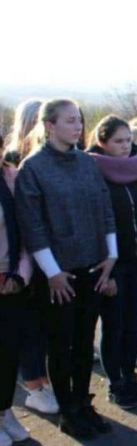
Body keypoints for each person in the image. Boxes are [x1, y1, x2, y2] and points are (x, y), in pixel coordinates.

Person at [16, 99, 118, 439]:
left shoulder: (87, 163)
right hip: (60, 276)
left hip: (93, 267)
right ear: (49, 126)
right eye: (70, 121)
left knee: (84, 340)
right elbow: (33, 228)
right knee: (61, 344)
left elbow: (105, 208)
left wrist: (111, 256)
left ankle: (82, 403)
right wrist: (53, 273)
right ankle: (69, 412)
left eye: (79, 121)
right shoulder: (34, 168)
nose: (78, 127)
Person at [87, 116, 137, 408]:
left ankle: (130, 377)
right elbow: (95, 223)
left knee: (134, 324)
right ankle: (116, 382)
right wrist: (104, 273)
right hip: (112, 265)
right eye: (118, 141)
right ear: (102, 143)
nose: (124, 147)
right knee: (114, 325)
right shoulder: (94, 171)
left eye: (127, 141)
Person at [3, 99, 59, 415]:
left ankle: (42, 381)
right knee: (27, 329)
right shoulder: (14, 163)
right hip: (24, 261)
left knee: (41, 327)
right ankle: (34, 385)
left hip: (48, 254)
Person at [0, 148, 34, 444]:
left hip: (10, 280)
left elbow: (27, 233)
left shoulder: (12, 178)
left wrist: (20, 275)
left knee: (9, 353)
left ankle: (4, 410)